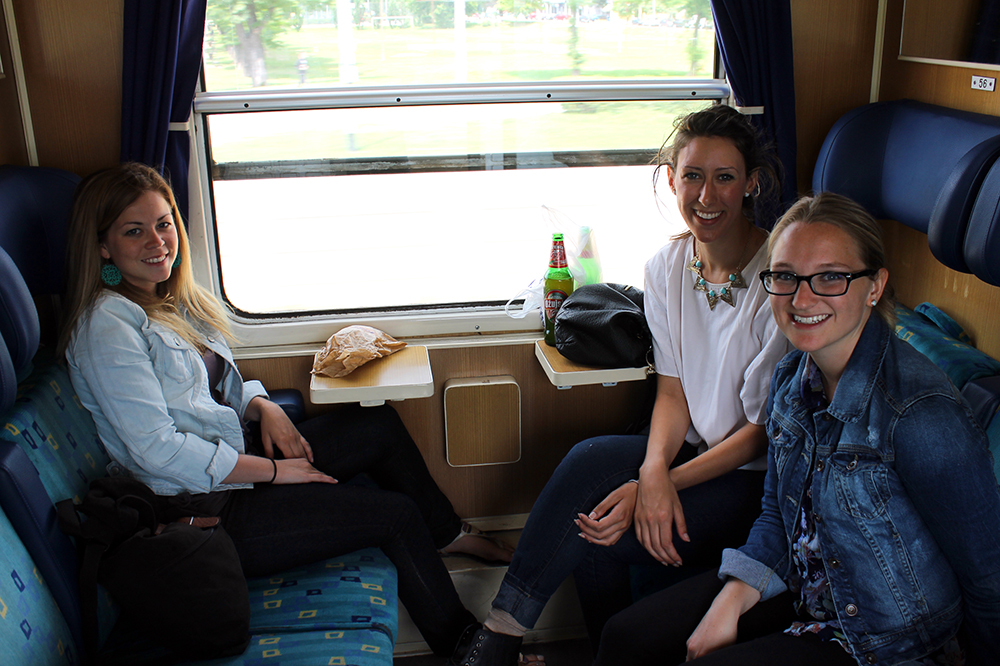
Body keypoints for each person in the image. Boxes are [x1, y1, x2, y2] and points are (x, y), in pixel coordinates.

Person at [58, 162, 513, 660]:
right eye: (134, 231)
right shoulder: (108, 326)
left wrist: (261, 406)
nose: (158, 242)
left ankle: (446, 535)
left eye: (164, 223)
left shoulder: (164, 298)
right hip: (205, 509)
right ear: (103, 246)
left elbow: (210, 387)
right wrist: (275, 473)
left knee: (375, 424)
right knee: (396, 516)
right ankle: (467, 650)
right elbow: (156, 451)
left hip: (234, 460)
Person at [595, 192, 1000, 665]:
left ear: (874, 286)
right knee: (626, 638)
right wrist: (732, 598)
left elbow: (989, 575)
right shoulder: (791, 379)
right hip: (806, 589)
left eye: (830, 277)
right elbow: (779, 515)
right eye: (785, 276)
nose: (801, 298)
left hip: (884, 638)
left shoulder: (919, 412)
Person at [453, 104, 790, 665]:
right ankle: (500, 638)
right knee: (589, 462)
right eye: (693, 176)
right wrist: (653, 471)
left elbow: (759, 435)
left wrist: (663, 483)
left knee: (595, 531)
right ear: (671, 179)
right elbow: (673, 393)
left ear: (750, 183)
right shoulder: (666, 267)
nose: (707, 196)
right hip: (693, 452)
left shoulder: (776, 279)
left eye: (725, 178)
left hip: (752, 480)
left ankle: (521, 650)